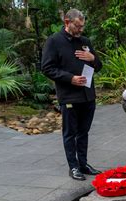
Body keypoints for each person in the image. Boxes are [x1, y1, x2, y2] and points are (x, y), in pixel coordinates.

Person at [41, 9, 102, 181]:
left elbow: (98, 66)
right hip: (69, 96)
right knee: (70, 133)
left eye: (82, 26)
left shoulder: (85, 41)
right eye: (77, 26)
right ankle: (73, 167)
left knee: (84, 132)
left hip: (88, 95)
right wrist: (70, 78)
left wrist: (92, 58)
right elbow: (47, 68)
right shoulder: (54, 41)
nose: (81, 29)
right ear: (67, 22)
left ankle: (83, 163)